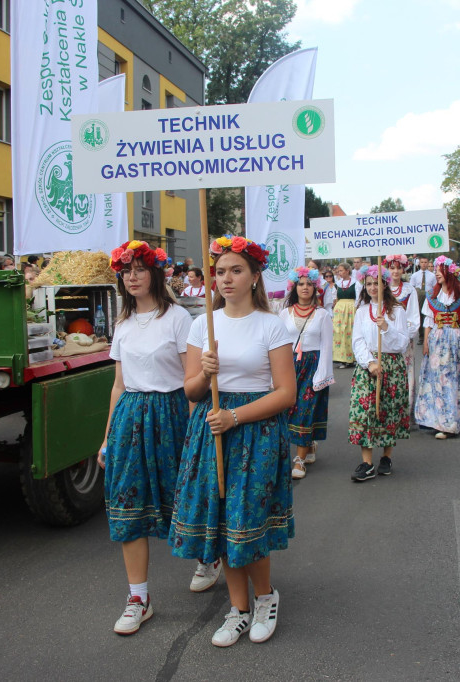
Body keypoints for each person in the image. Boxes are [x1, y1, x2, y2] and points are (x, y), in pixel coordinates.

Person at [170, 235, 297, 648]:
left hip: (255, 432)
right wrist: (205, 372)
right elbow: (190, 391)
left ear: (255, 275)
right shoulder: (201, 324)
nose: (226, 278)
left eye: (236, 270)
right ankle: (237, 608)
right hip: (211, 430)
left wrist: (236, 416)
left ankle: (265, 598)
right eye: (220, 271)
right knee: (224, 520)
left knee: (249, 520)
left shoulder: (270, 324)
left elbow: (285, 393)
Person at [99, 240, 205, 636]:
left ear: (156, 274)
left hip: (172, 413)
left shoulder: (178, 318)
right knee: (128, 505)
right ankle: (138, 598)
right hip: (130, 417)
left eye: (140, 269)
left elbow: (191, 378)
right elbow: (118, 385)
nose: (132, 276)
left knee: (184, 493)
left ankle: (207, 558)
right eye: (126, 271)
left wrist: (197, 428)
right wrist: (107, 436)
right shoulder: (123, 324)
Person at [348, 264, 410, 481]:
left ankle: (386, 456)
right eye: (369, 283)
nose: (373, 287)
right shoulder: (362, 311)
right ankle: (367, 463)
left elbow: (403, 343)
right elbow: (357, 341)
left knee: (388, 411)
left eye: (377, 283)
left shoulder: (398, 311)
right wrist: (370, 362)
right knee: (365, 412)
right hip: (369, 366)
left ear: (385, 284)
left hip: (392, 366)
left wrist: (387, 328)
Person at [279, 267, 333, 480]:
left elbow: (327, 347)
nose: (304, 288)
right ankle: (309, 444)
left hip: (312, 365)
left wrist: (322, 375)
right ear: (294, 287)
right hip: (290, 365)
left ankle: (299, 459)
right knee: (288, 410)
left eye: (309, 284)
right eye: (301, 284)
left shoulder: (322, 315)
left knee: (304, 410)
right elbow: (280, 343)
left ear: (315, 288)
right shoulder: (285, 313)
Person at [416, 256, 460, 440]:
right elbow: (428, 321)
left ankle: (450, 421)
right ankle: (438, 420)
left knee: (452, 379)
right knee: (436, 380)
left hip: (455, 340)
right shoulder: (432, 296)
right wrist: (426, 342)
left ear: (448, 273)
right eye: (435, 270)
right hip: (436, 341)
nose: (436, 273)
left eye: (439, 270)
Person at [384, 255, 420, 412]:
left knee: (405, 373)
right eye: (392, 268)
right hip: (385, 339)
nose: (396, 271)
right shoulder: (381, 289)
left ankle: (404, 410)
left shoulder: (409, 290)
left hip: (404, 340)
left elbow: (413, 316)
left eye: (398, 268)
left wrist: (404, 335)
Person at [331, 262, 358, 367]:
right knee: (339, 332)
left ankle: (352, 358)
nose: (339, 273)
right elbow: (334, 298)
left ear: (347, 271)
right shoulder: (337, 284)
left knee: (350, 332)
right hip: (340, 309)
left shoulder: (355, 283)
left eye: (341, 270)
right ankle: (342, 358)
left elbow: (358, 298)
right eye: (338, 271)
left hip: (351, 309)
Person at [409, 256, 437, 343]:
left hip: (428, 295)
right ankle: (421, 336)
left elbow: (435, 287)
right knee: (420, 315)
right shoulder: (415, 275)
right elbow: (411, 287)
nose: (424, 264)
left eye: (425, 262)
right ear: (419, 263)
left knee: (428, 315)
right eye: (422, 262)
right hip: (419, 296)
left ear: (428, 263)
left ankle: (428, 335)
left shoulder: (432, 276)